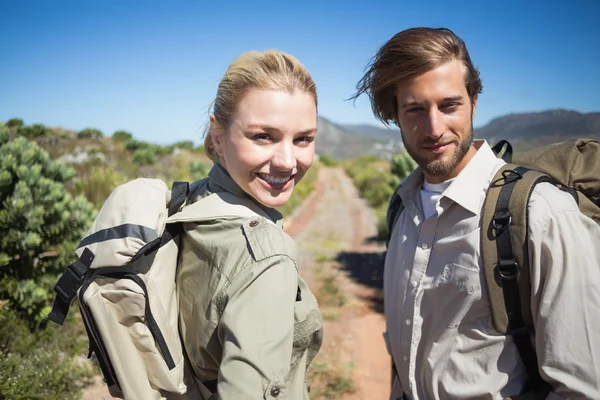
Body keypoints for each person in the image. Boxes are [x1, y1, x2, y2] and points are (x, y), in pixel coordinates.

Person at [352, 27, 600, 399]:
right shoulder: (402, 209)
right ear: (395, 115)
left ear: (474, 102)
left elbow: (582, 387)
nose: (434, 128)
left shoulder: (542, 214)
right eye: (415, 110)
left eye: (449, 105)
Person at [176, 50, 323, 399]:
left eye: (303, 139)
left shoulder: (192, 203)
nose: (288, 162)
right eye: (263, 137)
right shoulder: (267, 260)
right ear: (217, 136)